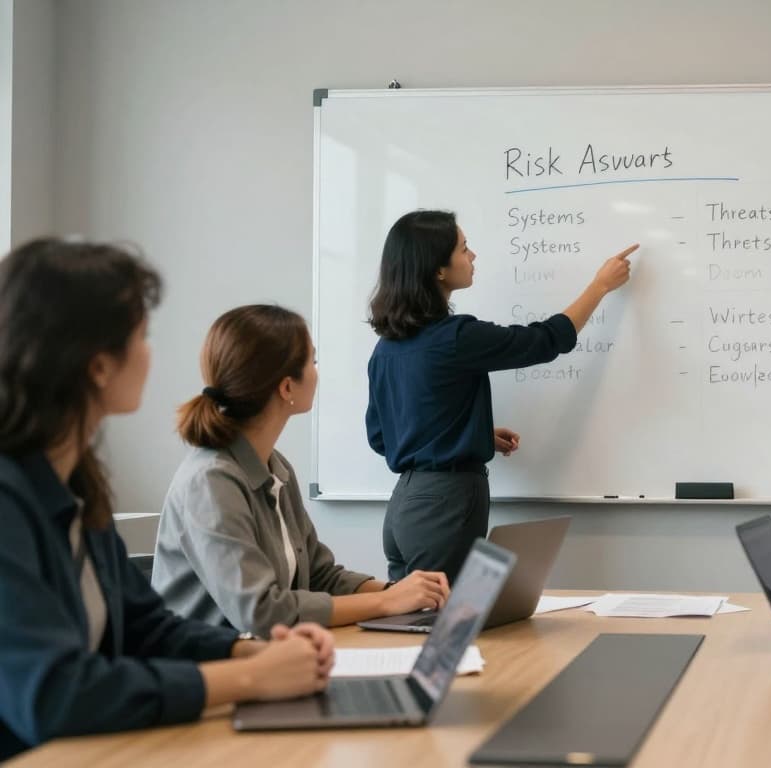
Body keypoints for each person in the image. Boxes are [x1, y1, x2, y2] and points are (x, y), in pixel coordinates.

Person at [0, 239, 335, 761]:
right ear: (97, 366)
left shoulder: (79, 482)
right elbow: (55, 693)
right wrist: (250, 676)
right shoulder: (8, 500)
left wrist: (252, 650)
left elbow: (143, 626)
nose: (150, 351)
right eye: (141, 335)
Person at [366, 209, 636, 582]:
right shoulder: (455, 338)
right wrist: (599, 287)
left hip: (403, 508)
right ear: (438, 270)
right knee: (443, 624)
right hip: (447, 501)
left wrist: (470, 433)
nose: (473, 256)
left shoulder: (386, 348)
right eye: (464, 248)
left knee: (409, 623)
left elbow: (382, 437)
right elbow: (543, 341)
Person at [154, 305, 449, 636]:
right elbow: (262, 612)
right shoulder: (209, 482)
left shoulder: (275, 467)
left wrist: (402, 591)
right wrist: (388, 602)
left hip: (267, 659)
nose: (317, 371)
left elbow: (321, 577)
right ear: (286, 388)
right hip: (211, 675)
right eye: (313, 361)